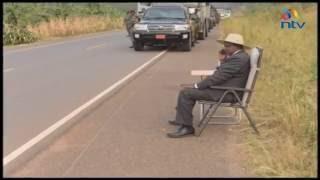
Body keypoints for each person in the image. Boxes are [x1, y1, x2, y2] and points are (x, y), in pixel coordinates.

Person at [167, 33, 251, 138]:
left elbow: (218, 77)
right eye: (225, 45)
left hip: (228, 93)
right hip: (225, 90)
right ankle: (182, 120)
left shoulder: (238, 59)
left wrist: (197, 86)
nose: (225, 48)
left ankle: (187, 127)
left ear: (235, 46)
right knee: (188, 90)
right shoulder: (240, 56)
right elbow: (221, 73)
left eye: (227, 46)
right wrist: (223, 60)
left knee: (186, 93)